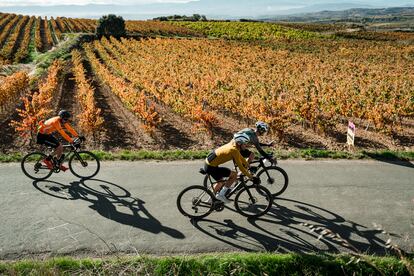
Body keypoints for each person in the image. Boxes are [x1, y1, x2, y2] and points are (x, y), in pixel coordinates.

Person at [204, 132, 260, 204]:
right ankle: (221, 195)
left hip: (209, 163)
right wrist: (251, 177)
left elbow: (241, 157)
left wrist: (249, 166)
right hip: (211, 166)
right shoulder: (234, 150)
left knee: (220, 182)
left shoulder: (233, 144)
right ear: (239, 143)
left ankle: (210, 200)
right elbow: (241, 168)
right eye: (245, 144)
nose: (246, 146)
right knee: (234, 175)